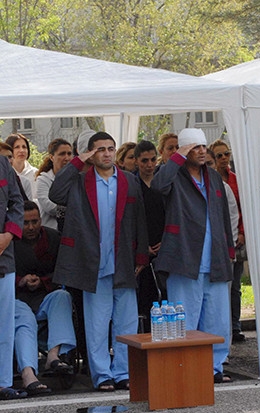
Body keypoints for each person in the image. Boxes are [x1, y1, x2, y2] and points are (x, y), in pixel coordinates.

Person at [49, 131, 149, 392]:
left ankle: (123, 372)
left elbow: (139, 219)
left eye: (110, 148)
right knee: (97, 323)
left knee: (126, 322)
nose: (107, 153)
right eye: (101, 149)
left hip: (124, 261)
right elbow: (55, 193)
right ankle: (102, 374)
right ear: (91, 153)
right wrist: (78, 162)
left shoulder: (128, 180)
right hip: (93, 263)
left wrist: (141, 256)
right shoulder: (80, 181)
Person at [151, 128, 235, 384]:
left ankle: (215, 367)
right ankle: (186, 366)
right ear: (183, 150)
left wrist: (229, 250)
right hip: (185, 257)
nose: (201, 151)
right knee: (185, 319)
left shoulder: (212, 176)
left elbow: (222, 216)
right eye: (194, 147)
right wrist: (177, 157)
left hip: (216, 258)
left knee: (218, 318)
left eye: (203, 146)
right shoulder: (174, 174)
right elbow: (157, 186)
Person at [14, 201, 76, 396]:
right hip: (16, 298)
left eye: (34, 221)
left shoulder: (52, 237)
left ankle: (54, 354)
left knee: (62, 297)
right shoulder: (10, 241)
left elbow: (63, 269)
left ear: (41, 220)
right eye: (25, 223)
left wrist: (42, 281)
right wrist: (21, 280)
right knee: (25, 317)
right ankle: (28, 372)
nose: (31, 227)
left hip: (45, 294)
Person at [209, 139, 246, 343]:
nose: (224, 158)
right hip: (217, 242)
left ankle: (235, 325)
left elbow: (240, 211)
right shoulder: (214, 182)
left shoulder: (234, 180)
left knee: (235, 285)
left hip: (235, 239)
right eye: (219, 155)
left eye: (226, 154)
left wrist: (241, 233)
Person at [133, 140, 167, 331]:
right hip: (142, 248)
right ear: (137, 161)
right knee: (145, 298)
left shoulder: (163, 181)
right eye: (144, 160)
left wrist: (166, 241)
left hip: (164, 245)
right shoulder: (132, 183)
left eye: (153, 159)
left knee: (167, 296)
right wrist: (140, 245)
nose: (149, 164)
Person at [0, 155, 24, 400]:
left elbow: (17, 203)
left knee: (4, 325)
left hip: (3, 258)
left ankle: (3, 381)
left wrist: (8, 235)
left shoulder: (3, 164)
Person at [35, 139, 74, 230]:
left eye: (69, 154)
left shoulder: (76, 178)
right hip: (51, 231)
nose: (67, 158)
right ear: (52, 157)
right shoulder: (43, 179)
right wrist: (72, 210)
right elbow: (48, 205)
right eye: (62, 154)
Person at [5, 134, 36, 200]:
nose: (21, 150)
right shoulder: (5, 175)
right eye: (17, 147)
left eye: (24, 147)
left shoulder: (36, 174)